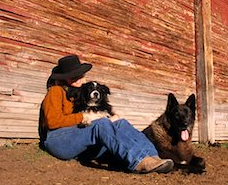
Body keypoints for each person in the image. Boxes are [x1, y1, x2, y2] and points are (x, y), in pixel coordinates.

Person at [39, 54, 174, 173]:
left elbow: (99, 111)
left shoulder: (80, 93)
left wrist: (110, 115)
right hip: (58, 140)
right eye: (72, 76)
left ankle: (152, 156)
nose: (77, 78)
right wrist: (84, 117)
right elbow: (52, 122)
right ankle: (140, 161)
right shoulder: (56, 91)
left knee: (120, 122)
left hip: (78, 140)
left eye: (79, 74)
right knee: (101, 124)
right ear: (65, 78)